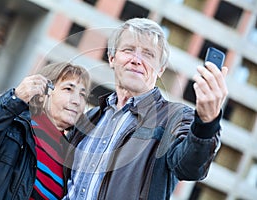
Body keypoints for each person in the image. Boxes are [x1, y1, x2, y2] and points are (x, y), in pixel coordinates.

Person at [62, 17, 228, 200]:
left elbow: (189, 167)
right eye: (128, 50)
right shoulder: (90, 117)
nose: (136, 60)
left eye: (148, 54)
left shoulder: (175, 118)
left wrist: (206, 122)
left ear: (160, 70)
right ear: (112, 58)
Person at [0, 62, 90, 199]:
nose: (77, 101)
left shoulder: (72, 158)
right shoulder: (12, 124)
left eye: (82, 95)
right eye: (68, 89)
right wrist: (15, 99)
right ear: (44, 91)